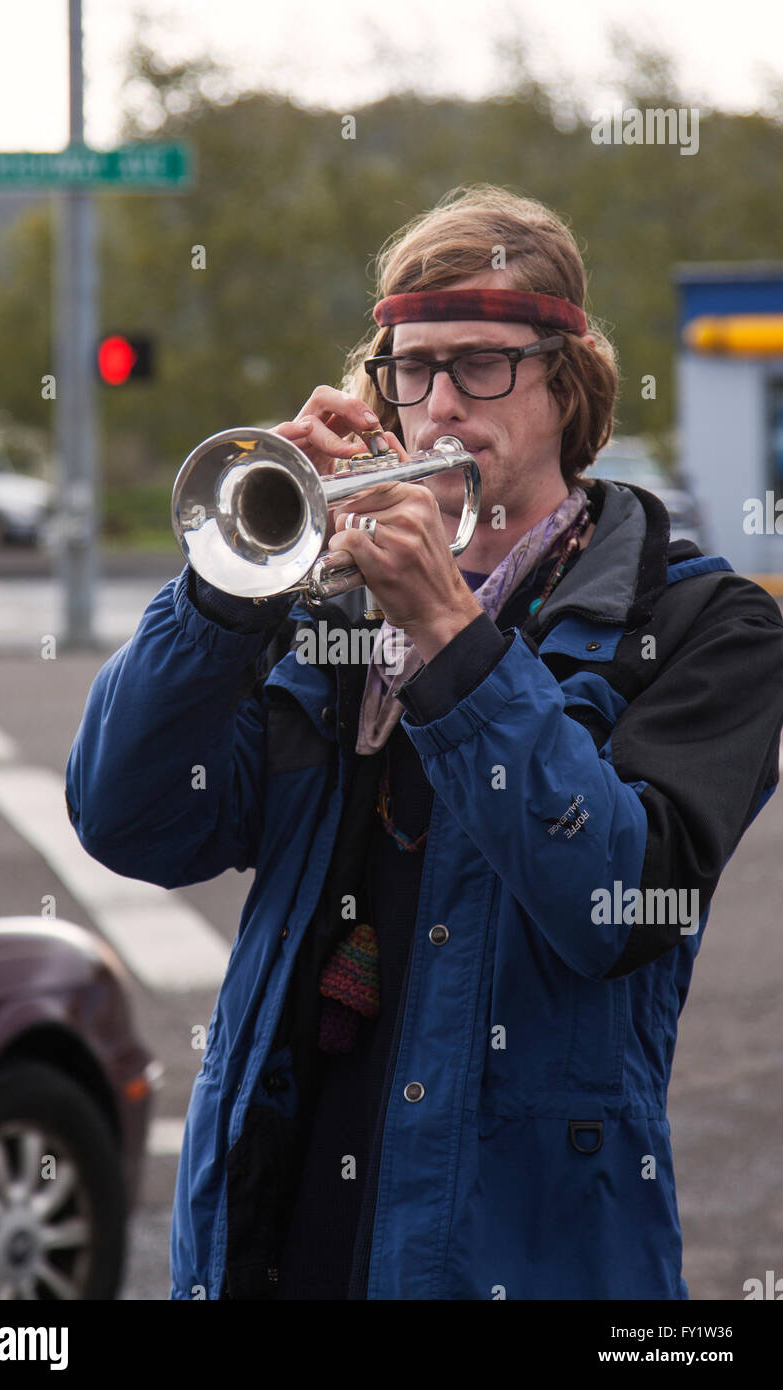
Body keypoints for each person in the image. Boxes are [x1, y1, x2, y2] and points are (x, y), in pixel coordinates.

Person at [65, 184, 783, 1300]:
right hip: (276, 1228)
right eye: (412, 368)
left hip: (517, 1248)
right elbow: (130, 818)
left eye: (480, 365)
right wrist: (225, 600)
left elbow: (614, 905)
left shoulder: (702, 625)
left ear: (567, 382)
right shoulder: (325, 610)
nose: (440, 404)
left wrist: (448, 634)